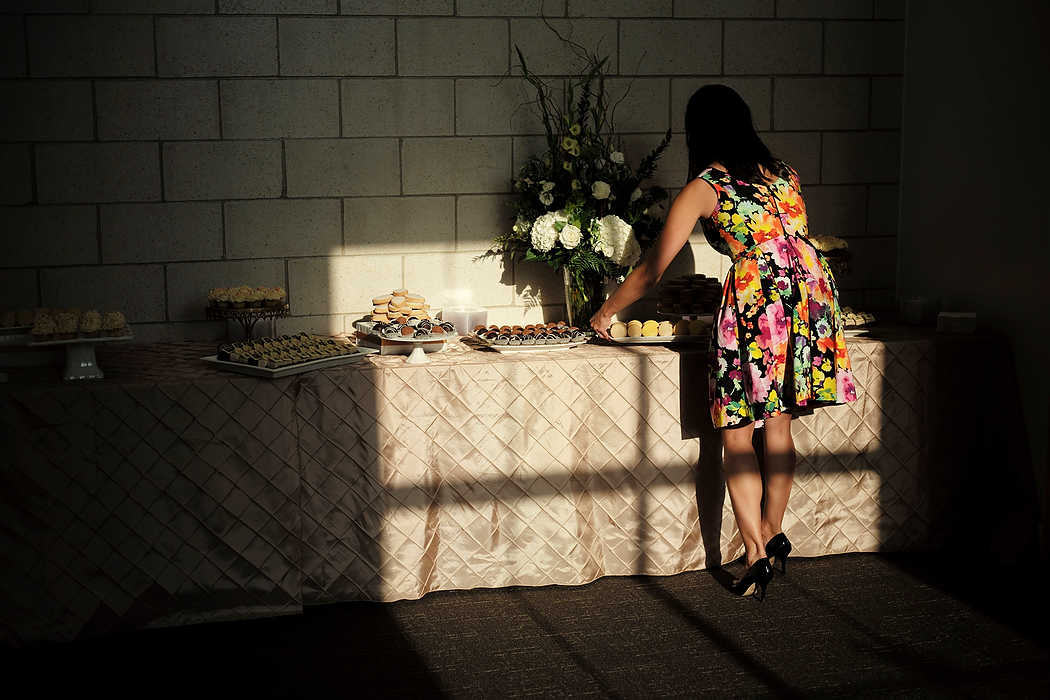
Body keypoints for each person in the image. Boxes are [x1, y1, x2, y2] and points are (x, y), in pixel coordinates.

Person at [589, 84, 859, 600]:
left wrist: (604, 312)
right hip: (808, 296)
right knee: (778, 425)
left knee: (737, 433)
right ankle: (774, 532)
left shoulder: (705, 187)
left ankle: (755, 552)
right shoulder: (784, 173)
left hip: (758, 300)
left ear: (699, 132)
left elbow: (651, 271)